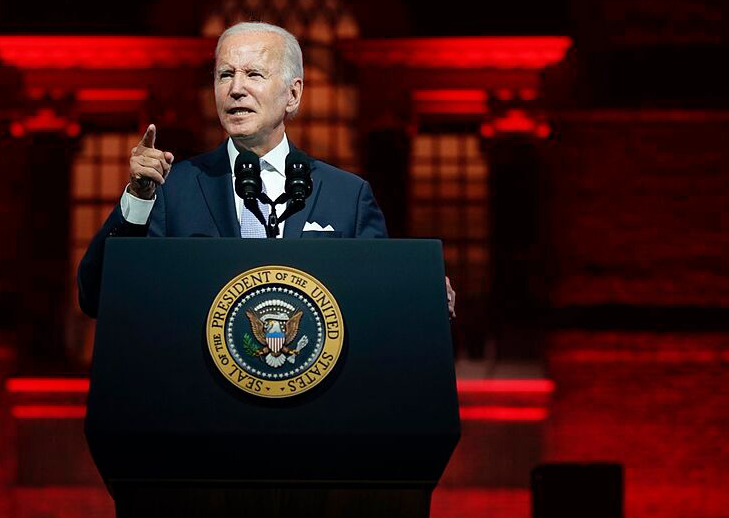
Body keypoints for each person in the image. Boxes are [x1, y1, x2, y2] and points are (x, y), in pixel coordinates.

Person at [77, 22, 455, 319]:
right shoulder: (174, 190)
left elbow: (379, 299)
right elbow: (97, 295)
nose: (236, 88)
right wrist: (139, 200)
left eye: (254, 74)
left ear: (293, 94)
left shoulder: (347, 196)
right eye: (225, 75)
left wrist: (418, 292)